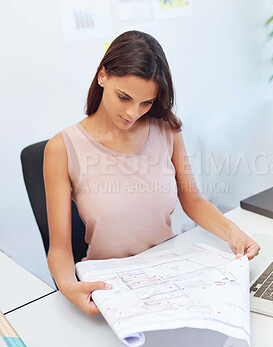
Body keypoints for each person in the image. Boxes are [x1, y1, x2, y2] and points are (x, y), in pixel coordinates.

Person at [43, 30, 260, 316]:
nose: (133, 113)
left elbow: (192, 200)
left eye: (146, 103)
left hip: (168, 275)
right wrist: (68, 285)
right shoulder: (62, 148)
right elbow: (59, 248)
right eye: (124, 97)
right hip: (110, 286)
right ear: (102, 75)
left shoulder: (167, 129)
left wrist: (233, 233)